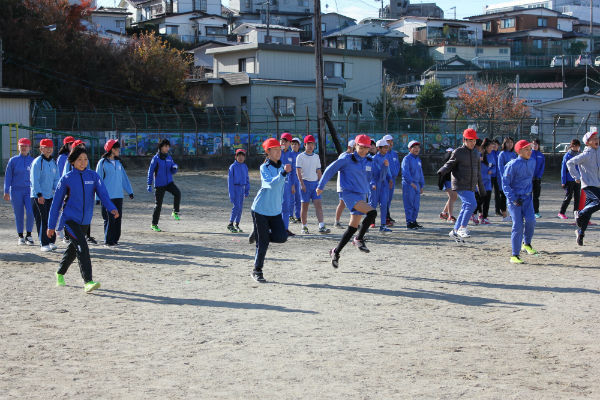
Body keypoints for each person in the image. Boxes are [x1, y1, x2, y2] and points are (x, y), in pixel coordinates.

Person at [48, 146, 119, 293]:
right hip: (70, 220)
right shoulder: (66, 178)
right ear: (72, 162)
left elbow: (103, 194)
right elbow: (56, 204)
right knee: (83, 247)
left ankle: (59, 273)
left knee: (74, 249)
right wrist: (51, 226)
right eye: (79, 159)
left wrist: (111, 208)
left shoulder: (93, 176)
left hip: (85, 221)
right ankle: (88, 281)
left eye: (85, 159)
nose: (83, 162)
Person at [317, 134, 378, 269]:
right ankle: (359, 239)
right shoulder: (347, 159)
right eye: (360, 147)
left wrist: (372, 183)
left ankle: (335, 252)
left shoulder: (369, 160)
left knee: (352, 228)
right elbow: (329, 170)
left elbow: (372, 176)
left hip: (362, 194)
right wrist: (321, 186)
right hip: (349, 194)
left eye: (366, 148)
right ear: (355, 146)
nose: (363, 150)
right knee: (372, 213)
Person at [250, 138, 291, 282]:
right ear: (268, 152)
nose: (278, 152)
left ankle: (259, 233)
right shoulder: (264, 168)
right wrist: (283, 174)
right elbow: (270, 185)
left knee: (282, 237)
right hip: (260, 210)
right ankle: (257, 271)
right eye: (275, 150)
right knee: (263, 243)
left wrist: (283, 173)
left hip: (275, 211)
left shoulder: (281, 167)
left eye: (280, 150)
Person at [437, 128, 486, 241]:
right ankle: (462, 228)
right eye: (470, 140)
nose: (472, 143)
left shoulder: (476, 153)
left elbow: (478, 171)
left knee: (466, 206)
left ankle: (455, 231)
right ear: (464, 140)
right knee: (471, 204)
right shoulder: (458, 152)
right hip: (460, 183)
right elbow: (449, 163)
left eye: (474, 140)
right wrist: (442, 170)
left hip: (471, 185)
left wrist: (481, 187)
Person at [502, 140, 539, 264]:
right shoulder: (512, 165)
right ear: (519, 151)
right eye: (526, 149)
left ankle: (527, 244)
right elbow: (505, 184)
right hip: (515, 200)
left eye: (530, 149)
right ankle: (515, 255)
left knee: (531, 221)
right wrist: (513, 198)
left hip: (527, 198)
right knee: (517, 225)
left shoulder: (533, 162)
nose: (529, 151)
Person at [95, 139, 134, 246]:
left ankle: (115, 240)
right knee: (109, 219)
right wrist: (97, 197)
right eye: (117, 148)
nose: (119, 150)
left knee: (117, 218)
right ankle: (108, 241)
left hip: (118, 195)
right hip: (107, 196)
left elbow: (124, 178)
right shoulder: (102, 163)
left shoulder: (118, 162)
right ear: (112, 149)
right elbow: (98, 181)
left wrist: (129, 191)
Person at [567, 130, 600, 246]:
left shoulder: (599, 152)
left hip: (598, 185)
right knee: (598, 202)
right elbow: (569, 163)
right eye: (594, 139)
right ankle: (579, 213)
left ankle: (580, 234)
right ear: (587, 142)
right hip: (589, 185)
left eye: (597, 138)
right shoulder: (585, 155)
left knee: (588, 214)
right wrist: (576, 177)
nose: (597, 140)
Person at [295, 135, 330, 234]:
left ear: (314, 145)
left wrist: (321, 184)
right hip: (305, 183)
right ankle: (304, 227)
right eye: (308, 144)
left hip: (315, 184)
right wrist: (301, 184)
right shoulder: (300, 156)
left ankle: (322, 226)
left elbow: (318, 171)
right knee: (304, 206)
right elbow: (298, 171)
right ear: (305, 145)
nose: (310, 146)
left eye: (312, 144)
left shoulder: (316, 157)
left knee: (318, 205)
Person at [3, 138, 35, 246]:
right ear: (19, 147)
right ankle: (20, 236)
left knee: (31, 212)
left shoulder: (33, 161)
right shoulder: (13, 160)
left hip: (29, 191)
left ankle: (29, 235)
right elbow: (8, 177)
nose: (24, 148)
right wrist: (6, 191)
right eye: (22, 146)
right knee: (19, 214)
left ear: (29, 147)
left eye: (26, 146)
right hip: (16, 191)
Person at [30, 138, 60, 252]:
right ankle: (44, 243)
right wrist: (39, 194)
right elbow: (34, 180)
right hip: (38, 196)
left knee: (51, 218)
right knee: (43, 219)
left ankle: (51, 241)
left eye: (50, 148)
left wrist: (58, 191)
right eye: (46, 148)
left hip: (49, 195)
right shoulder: (37, 162)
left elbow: (56, 179)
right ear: (41, 149)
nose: (48, 150)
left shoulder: (53, 162)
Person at [147, 139, 181, 232]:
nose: (167, 148)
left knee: (177, 193)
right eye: (166, 146)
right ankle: (154, 224)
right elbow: (150, 171)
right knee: (158, 205)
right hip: (159, 185)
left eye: (168, 146)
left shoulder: (169, 157)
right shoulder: (155, 158)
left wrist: (175, 168)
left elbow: (172, 169)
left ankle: (175, 212)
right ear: (161, 147)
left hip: (169, 182)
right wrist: (149, 184)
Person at [369, 139, 393, 233]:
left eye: (387, 147)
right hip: (375, 185)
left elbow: (386, 172)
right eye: (385, 147)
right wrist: (373, 183)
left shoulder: (385, 158)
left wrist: (390, 179)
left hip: (383, 185)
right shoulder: (373, 159)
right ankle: (367, 224)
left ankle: (383, 225)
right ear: (379, 148)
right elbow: (371, 173)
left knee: (384, 205)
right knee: (372, 205)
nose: (387, 149)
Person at [402, 140, 425, 229]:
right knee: (409, 204)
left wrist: (421, 185)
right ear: (409, 149)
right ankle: (409, 222)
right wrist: (410, 182)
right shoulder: (406, 159)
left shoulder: (418, 159)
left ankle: (414, 220)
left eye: (418, 147)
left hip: (417, 184)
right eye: (414, 147)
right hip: (409, 185)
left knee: (416, 205)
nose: (416, 149)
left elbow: (420, 172)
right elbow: (405, 172)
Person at [55, 136, 75, 241]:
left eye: (73, 143)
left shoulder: (74, 156)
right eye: (70, 143)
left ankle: (62, 229)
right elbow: (60, 174)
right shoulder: (62, 158)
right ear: (66, 145)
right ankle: (59, 229)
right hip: (65, 187)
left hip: (73, 187)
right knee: (64, 209)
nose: (72, 145)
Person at [227, 148, 250, 233]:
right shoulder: (232, 167)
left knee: (240, 208)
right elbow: (230, 182)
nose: (240, 157)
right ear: (235, 156)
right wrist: (231, 194)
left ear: (244, 157)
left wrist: (247, 190)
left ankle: (237, 224)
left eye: (242, 156)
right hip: (235, 188)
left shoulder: (245, 166)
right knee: (236, 206)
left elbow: (247, 179)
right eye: (239, 155)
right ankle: (230, 223)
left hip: (242, 188)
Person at [334, 139, 356, 228]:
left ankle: (338, 221)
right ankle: (354, 223)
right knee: (345, 203)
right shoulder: (343, 156)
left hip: (350, 185)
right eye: (354, 148)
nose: (355, 150)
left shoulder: (352, 156)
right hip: (343, 185)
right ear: (349, 147)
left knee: (344, 203)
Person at [558, 139, 581, 219]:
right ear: (573, 146)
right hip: (569, 180)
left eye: (579, 146)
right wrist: (563, 181)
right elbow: (563, 169)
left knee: (578, 197)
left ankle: (576, 213)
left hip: (577, 180)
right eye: (577, 146)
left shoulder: (579, 155)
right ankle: (561, 212)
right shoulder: (567, 156)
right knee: (568, 196)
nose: (578, 148)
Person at [280, 132, 297, 236]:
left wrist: (293, 185)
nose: (283, 142)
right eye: (282, 140)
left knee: (285, 207)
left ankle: (285, 228)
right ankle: (273, 228)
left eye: (286, 141)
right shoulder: (276, 152)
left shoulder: (291, 155)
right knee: (275, 207)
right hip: (277, 183)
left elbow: (293, 171)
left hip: (287, 184)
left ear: (290, 143)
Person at [497, 137, 517, 222]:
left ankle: (512, 214)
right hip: (504, 180)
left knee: (511, 197)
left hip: (512, 180)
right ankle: (504, 215)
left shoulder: (514, 155)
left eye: (511, 142)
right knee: (503, 197)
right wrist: (505, 178)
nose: (510, 144)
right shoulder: (502, 154)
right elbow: (500, 167)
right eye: (508, 142)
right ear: (504, 144)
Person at [383, 134, 401, 226]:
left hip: (392, 180)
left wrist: (395, 173)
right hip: (385, 180)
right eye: (388, 141)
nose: (390, 143)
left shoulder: (394, 153)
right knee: (384, 199)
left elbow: (397, 165)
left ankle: (387, 215)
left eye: (391, 141)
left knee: (389, 199)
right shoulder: (383, 154)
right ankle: (385, 217)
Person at [477, 139, 494, 224]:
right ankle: (475, 214)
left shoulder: (492, 156)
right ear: (486, 147)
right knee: (480, 200)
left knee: (487, 199)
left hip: (488, 182)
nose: (492, 148)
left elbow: (494, 166)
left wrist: (492, 170)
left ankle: (485, 217)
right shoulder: (479, 155)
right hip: (480, 182)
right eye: (490, 147)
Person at [438, 147, 457, 222]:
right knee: (452, 197)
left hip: (452, 181)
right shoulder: (446, 163)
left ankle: (444, 213)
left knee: (454, 197)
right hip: (447, 181)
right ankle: (450, 215)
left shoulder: (454, 162)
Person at [531, 138, 545, 218]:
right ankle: (528, 211)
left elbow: (542, 167)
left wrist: (538, 176)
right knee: (528, 195)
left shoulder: (541, 155)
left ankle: (536, 211)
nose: (535, 146)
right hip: (529, 179)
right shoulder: (529, 154)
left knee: (536, 196)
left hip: (537, 179)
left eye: (536, 144)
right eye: (533, 144)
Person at [290, 137, 302, 223]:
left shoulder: (301, 155)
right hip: (291, 179)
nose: (294, 145)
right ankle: (290, 215)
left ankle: (298, 216)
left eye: (296, 144)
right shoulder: (289, 155)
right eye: (292, 144)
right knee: (291, 198)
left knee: (299, 198)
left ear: (299, 145)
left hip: (299, 179)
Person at [489, 139, 501, 216]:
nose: (494, 145)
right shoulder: (489, 153)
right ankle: (484, 211)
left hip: (498, 177)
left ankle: (497, 211)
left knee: (498, 194)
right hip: (490, 177)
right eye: (493, 144)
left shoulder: (500, 154)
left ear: (498, 145)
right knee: (487, 194)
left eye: (496, 144)